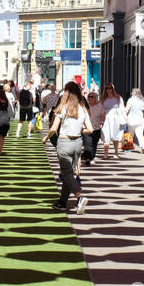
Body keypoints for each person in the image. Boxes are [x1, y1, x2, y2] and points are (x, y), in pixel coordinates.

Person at [45, 83, 92, 214]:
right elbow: (90, 129)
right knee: (68, 173)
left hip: (64, 142)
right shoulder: (82, 109)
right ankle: (62, 202)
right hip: (77, 143)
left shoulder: (63, 108)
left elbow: (54, 128)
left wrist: (45, 138)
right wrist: (79, 129)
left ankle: (79, 197)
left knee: (66, 173)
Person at [99, 84, 126, 159]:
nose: (108, 89)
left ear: (112, 88)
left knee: (115, 135)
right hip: (106, 118)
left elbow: (122, 108)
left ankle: (116, 153)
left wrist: (125, 118)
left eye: (110, 88)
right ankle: (106, 154)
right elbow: (100, 109)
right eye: (106, 88)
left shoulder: (118, 97)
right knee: (105, 135)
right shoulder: (103, 98)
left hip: (116, 118)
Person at [85, 90, 105, 165]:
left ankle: (92, 158)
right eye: (88, 97)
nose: (89, 98)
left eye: (91, 97)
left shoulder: (100, 106)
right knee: (87, 144)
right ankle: (87, 158)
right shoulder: (86, 106)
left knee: (94, 144)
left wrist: (102, 122)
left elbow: (103, 115)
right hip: (87, 128)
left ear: (96, 98)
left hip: (96, 128)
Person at [125, 88, 144, 153]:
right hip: (140, 120)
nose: (131, 93)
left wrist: (124, 116)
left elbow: (127, 109)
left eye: (132, 92)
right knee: (140, 135)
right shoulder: (142, 100)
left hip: (131, 120)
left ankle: (128, 149)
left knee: (130, 134)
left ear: (134, 93)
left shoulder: (130, 100)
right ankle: (143, 148)